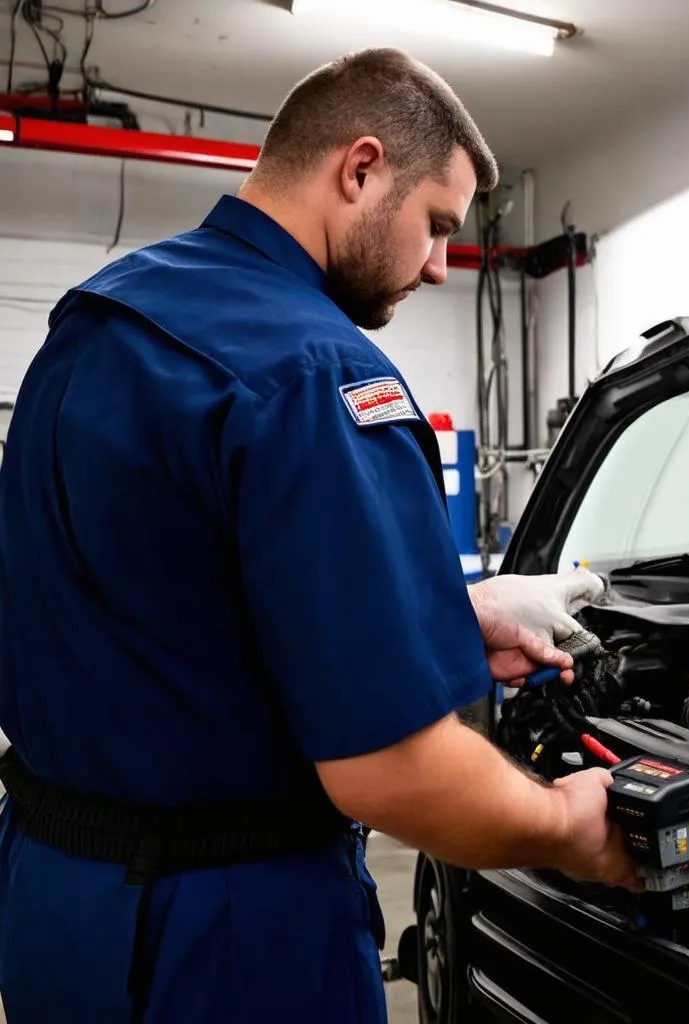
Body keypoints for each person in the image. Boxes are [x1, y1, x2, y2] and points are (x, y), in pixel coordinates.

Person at [0, 47, 640, 1024]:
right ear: (360, 168)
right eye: (434, 224)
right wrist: (571, 824)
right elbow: (393, 769)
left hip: (51, 902)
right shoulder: (315, 375)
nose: (437, 264)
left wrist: (448, 614)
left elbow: (161, 609)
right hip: (227, 937)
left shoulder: (98, 321)